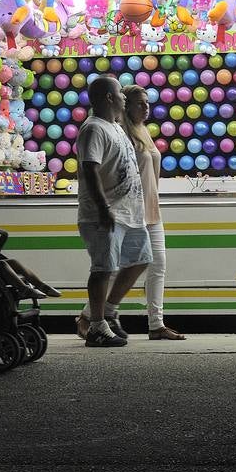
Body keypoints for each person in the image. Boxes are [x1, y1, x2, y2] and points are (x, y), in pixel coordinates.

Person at [77, 86, 185, 341]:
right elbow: (93, 169)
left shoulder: (140, 132)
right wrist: (104, 207)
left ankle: (154, 324)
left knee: (151, 263)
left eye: (147, 103)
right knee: (109, 267)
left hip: (146, 207)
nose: (145, 108)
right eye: (138, 103)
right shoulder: (110, 129)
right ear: (120, 104)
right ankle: (93, 318)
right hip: (121, 208)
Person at [77, 75, 152, 348]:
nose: (124, 97)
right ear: (109, 98)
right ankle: (96, 326)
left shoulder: (116, 127)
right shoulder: (93, 129)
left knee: (141, 259)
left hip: (129, 213)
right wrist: (103, 208)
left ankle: (107, 313)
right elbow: (89, 169)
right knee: (103, 269)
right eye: (120, 93)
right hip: (105, 214)